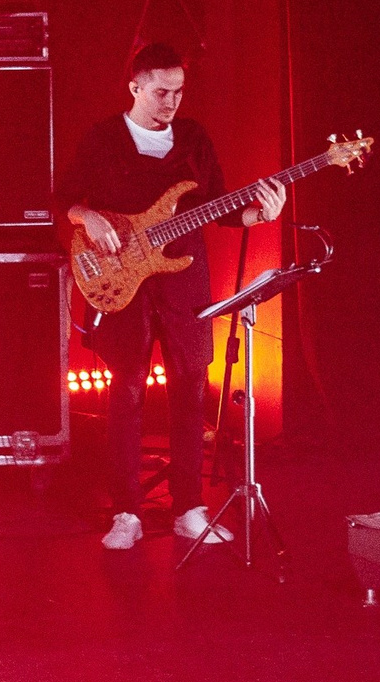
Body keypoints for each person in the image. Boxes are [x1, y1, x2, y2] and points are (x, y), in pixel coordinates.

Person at [57, 41, 286, 550]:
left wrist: (261, 213)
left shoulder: (194, 139)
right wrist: (86, 215)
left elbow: (221, 208)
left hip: (184, 280)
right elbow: (62, 198)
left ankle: (190, 508)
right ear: (135, 87)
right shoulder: (102, 139)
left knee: (190, 389)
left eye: (179, 92)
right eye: (161, 91)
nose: (171, 102)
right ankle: (125, 513)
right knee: (129, 390)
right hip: (121, 281)